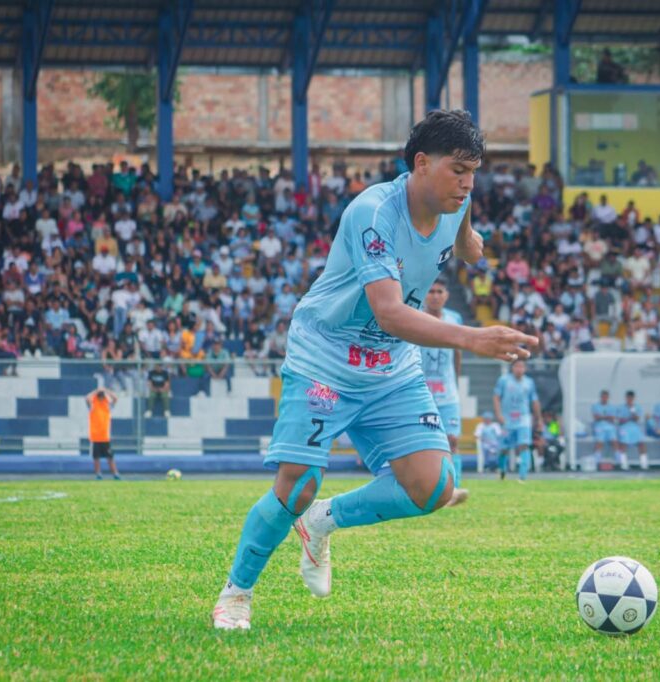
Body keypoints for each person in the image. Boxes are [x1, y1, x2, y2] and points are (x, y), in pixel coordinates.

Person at [212, 110, 537, 630]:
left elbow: (464, 227)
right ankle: (236, 593)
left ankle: (322, 523)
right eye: (458, 170)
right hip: (327, 356)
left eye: (474, 170)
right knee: (297, 486)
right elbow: (387, 310)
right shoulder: (373, 212)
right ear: (421, 164)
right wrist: (474, 337)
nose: (468, 183)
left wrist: (469, 244)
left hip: (390, 365)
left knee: (434, 487)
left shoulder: (458, 201)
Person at [422, 277, 468, 504]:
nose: (435, 295)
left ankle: (454, 490)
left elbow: (457, 351)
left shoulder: (454, 319)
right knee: (424, 443)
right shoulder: (415, 317)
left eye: (439, 291)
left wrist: (455, 380)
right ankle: (427, 487)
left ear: (447, 295)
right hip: (421, 393)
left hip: (448, 393)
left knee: (452, 440)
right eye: (431, 291)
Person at [493, 359, 542, 483]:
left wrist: (538, 418)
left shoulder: (529, 383)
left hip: (523, 418)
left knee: (524, 444)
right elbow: (496, 397)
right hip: (507, 418)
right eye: (517, 366)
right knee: (504, 448)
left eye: (522, 366)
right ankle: (502, 469)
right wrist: (499, 414)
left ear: (525, 368)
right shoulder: (504, 380)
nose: (519, 369)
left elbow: (534, 401)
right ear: (512, 368)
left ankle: (522, 476)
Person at [86, 388, 120, 480]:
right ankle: (98, 474)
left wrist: (106, 390)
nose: (101, 398)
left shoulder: (107, 406)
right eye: (99, 396)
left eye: (102, 396)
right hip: (95, 437)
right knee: (96, 458)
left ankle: (115, 474)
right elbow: (87, 398)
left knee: (110, 457)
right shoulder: (93, 405)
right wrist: (96, 390)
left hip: (105, 437)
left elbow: (115, 398)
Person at [617, 390, 649, 470]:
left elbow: (637, 418)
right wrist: (628, 418)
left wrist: (632, 412)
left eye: (631, 398)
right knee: (623, 443)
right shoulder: (621, 407)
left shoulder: (637, 407)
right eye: (628, 397)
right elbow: (620, 420)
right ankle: (624, 463)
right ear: (626, 398)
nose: (630, 399)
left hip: (634, 427)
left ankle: (643, 463)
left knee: (641, 443)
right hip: (624, 427)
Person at [590, 389, 621, 470]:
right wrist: (606, 417)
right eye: (603, 397)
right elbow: (596, 417)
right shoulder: (595, 406)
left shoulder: (612, 407)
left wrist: (602, 417)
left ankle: (619, 462)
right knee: (599, 442)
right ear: (601, 397)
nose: (604, 398)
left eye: (606, 397)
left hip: (610, 427)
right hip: (599, 426)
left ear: (608, 398)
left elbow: (613, 418)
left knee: (614, 441)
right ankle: (597, 462)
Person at [473, 411, 503, 475]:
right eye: (486, 419)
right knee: (486, 449)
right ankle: (487, 465)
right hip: (484, 443)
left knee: (496, 450)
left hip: (495, 443)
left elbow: (499, 435)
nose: (487, 420)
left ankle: (496, 466)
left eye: (488, 419)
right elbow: (477, 436)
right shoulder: (480, 425)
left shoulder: (495, 425)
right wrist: (485, 440)